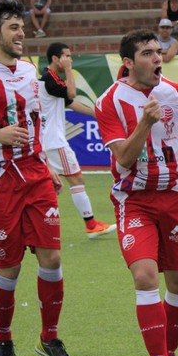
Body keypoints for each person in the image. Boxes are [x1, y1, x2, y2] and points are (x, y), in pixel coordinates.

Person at [95, 29, 178, 356]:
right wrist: (145, 123)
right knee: (146, 277)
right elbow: (124, 159)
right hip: (135, 200)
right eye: (147, 53)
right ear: (129, 63)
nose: (157, 58)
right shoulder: (110, 101)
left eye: (157, 51)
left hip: (175, 199)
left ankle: (170, 355)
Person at [0, 0, 75, 356]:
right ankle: (3, 340)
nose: (22, 33)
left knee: (52, 258)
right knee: (9, 268)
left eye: (22, 27)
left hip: (34, 174)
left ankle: (49, 337)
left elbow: (35, 126)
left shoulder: (31, 72)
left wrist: (47, 165)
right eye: (14, 27)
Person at [39, 41, 117, 240]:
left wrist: (98, 115)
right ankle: (91, 225)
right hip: (54, 142)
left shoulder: (50, 80)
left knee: (48, 184)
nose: (70, 60)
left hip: (48, 142)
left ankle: (39, 224)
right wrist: (69, 70)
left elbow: (71, 103)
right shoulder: (50, 78)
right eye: (66, 56)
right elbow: (72, 93)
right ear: (56, 59)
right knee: (76, 179)